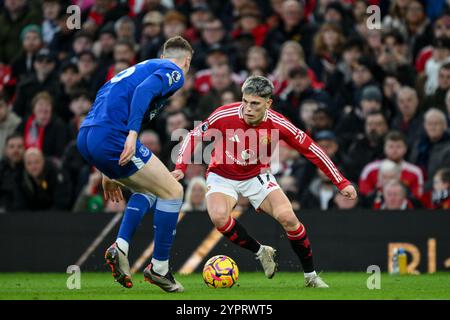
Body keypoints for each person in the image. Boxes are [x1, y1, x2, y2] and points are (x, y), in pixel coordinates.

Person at [174, 76, 357, 288]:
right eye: (245, 101)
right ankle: (261, 252)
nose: (248, 108)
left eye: (255, 103)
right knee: (219, 218)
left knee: (288, 218)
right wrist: (180, 167)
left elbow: (311, 149)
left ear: (268, 103)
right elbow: (193, 136)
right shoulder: (224, 114)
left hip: (256, 175)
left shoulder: (278, 123)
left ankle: (311, 276)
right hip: (222, 173)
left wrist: (341, 182)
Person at [77, 36, 193, 292]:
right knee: (173, 192)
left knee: (150, 190)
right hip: (112, 136)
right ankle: (159, 268)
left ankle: (121, 247)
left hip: (88, 136)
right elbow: (143, 92)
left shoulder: (132, 70)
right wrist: (131, 134)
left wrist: (107, 169)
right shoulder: (175, 71)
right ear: (186, 61)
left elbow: (104, 100)